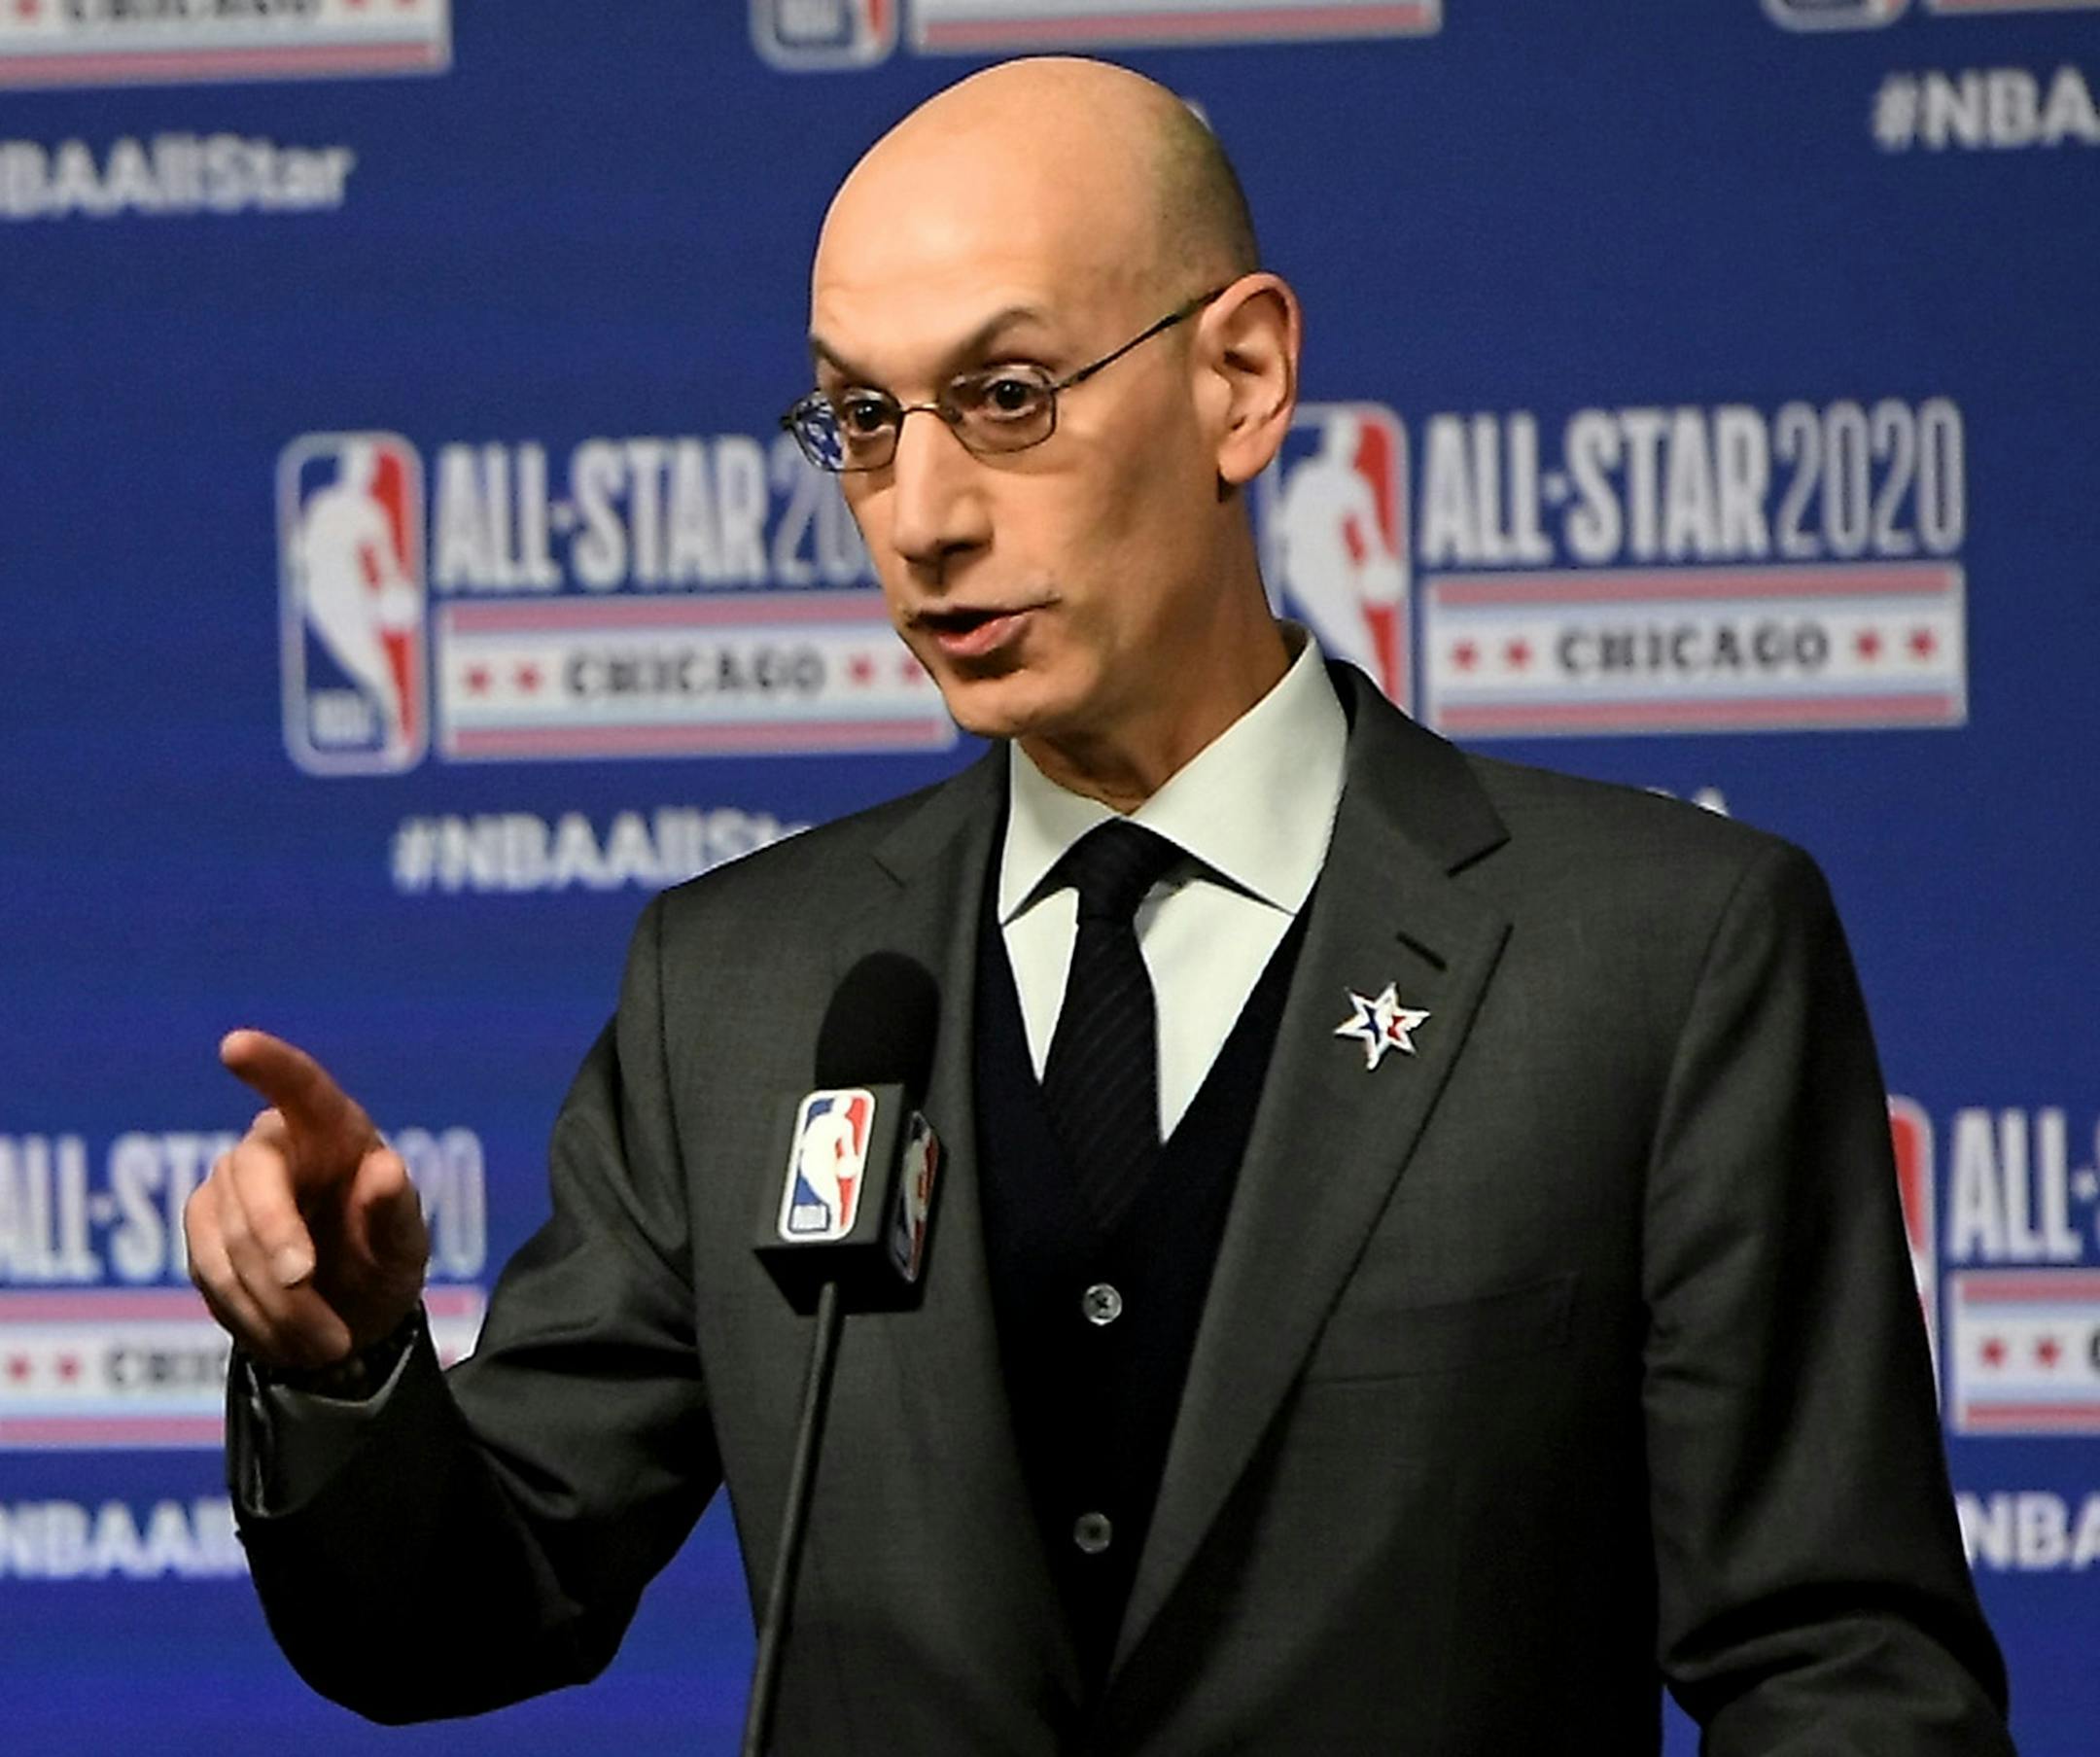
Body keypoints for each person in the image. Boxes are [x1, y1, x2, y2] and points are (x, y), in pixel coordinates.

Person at [187, 56, 2014, 1755]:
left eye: (1005, 397)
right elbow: (464, 1611)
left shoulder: (1663, 953)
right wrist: (344, 1365)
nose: (922, 515)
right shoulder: (742, 989)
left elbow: (1841, 1674)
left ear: (1243, 381)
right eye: (860, 421)